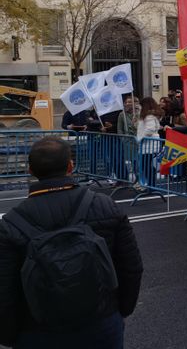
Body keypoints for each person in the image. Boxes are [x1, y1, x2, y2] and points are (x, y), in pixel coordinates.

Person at [0, 137, 143, 348]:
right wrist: (120, 310)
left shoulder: (11, 223)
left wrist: (9, 335)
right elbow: (131, 267)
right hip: (101, 321)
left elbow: (5, 289)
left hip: (38, 329)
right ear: (70, 166)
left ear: (30, 170)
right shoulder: (106, 206)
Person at [135, 97, 163, 189]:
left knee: (146, 165)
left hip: (148, 144)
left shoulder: (149, 116)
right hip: (148, 143)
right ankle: (151, 184)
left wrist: (140, 139)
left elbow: (149, 130)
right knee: (146, 164)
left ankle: (151, 184)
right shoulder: (148, 115)